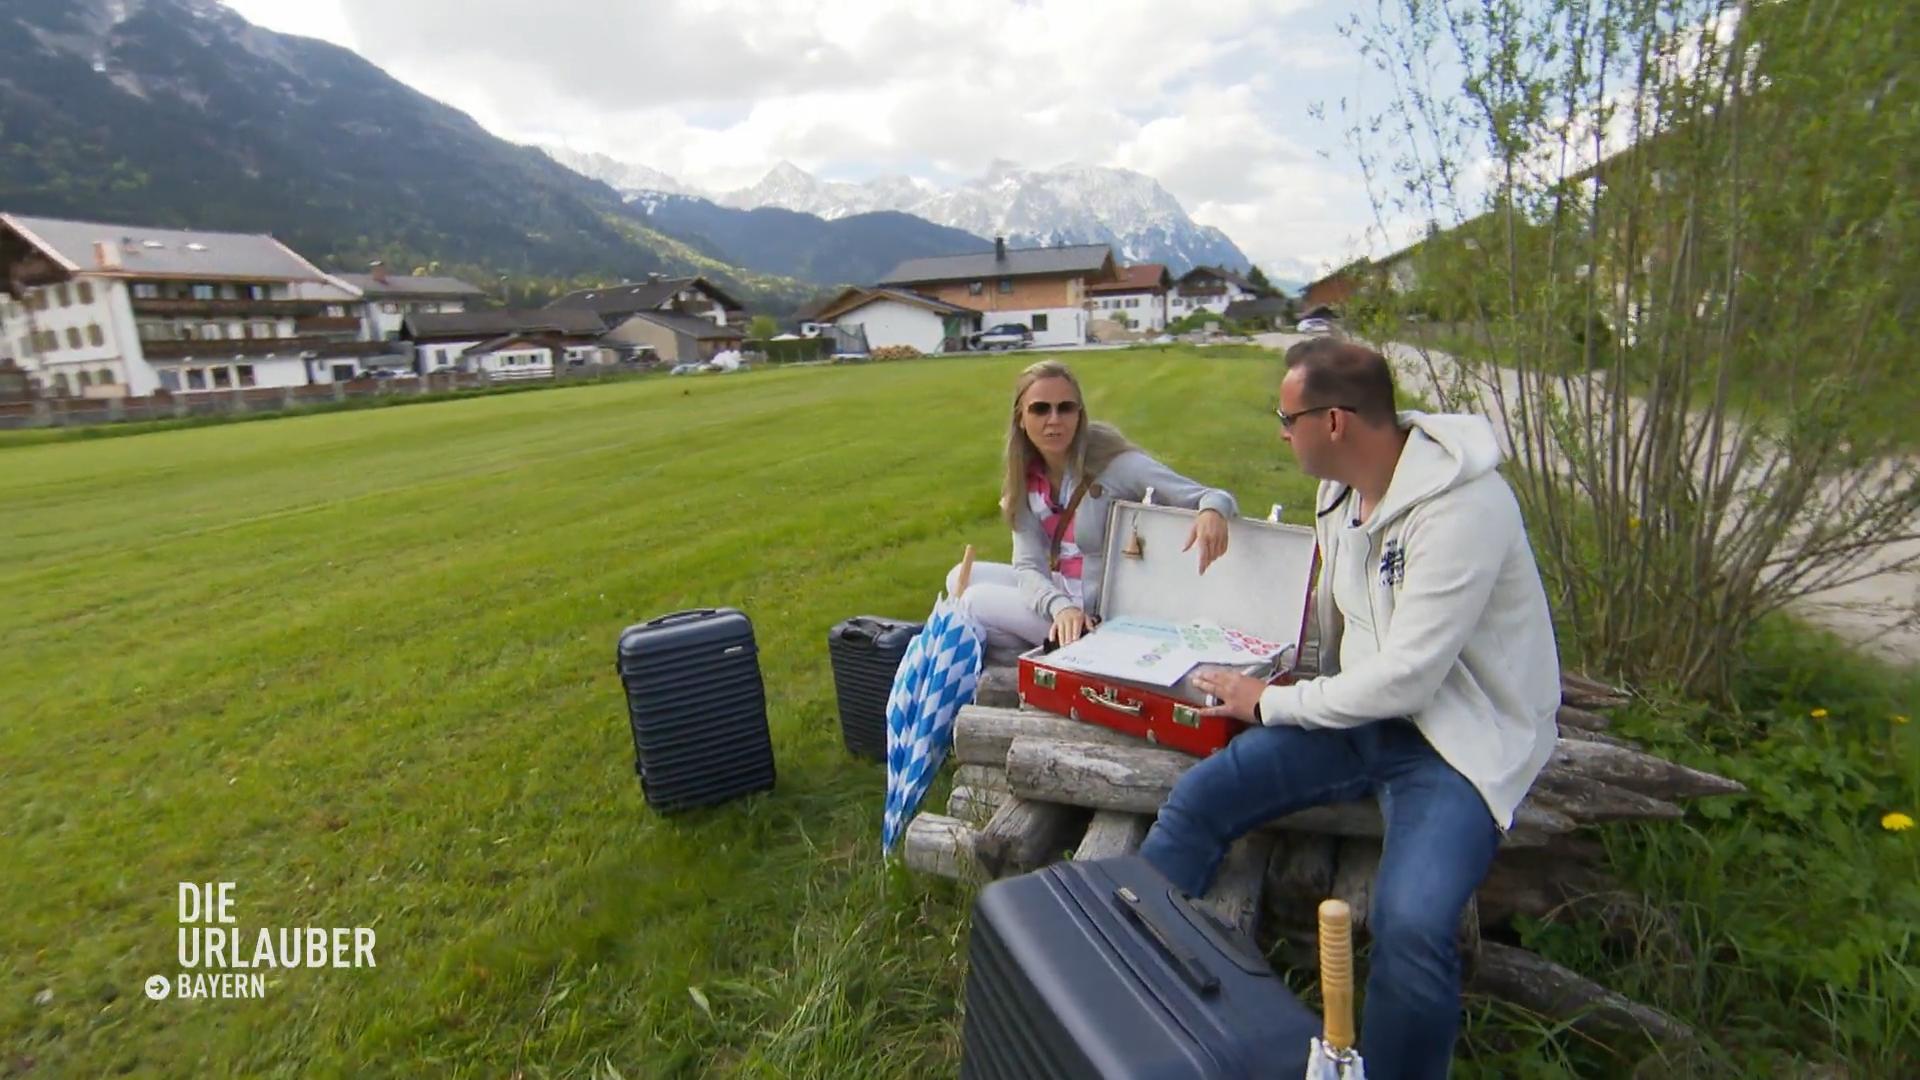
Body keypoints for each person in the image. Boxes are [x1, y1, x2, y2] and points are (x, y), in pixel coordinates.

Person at [1138, 338, 1562, 1080]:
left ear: (1333, 421)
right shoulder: (1339, 493)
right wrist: (1273, 672)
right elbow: (1344, 625)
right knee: (1201, 796)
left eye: (1286, 415)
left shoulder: (1465, 506)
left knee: (1413, 923)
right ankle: (1134, 984)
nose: (1280, 430)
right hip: (1361, 718)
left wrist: (1273, 702)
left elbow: (1410, 679)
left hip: (1459, 743)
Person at [947, 359, 1239, 656]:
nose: (1054, 419)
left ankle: (1062, 651)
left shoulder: (1114, 464)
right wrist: (1059, 607)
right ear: (1021, 417)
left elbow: (1210, 495)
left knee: (973, 602)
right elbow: (1028, 565)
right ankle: (1051, 650)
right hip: (1064, 598)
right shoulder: (1026, 475)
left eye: (1066, 408)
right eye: (1040, 409)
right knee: (960, 576)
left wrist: (1211, 512)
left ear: (1079, 414)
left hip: (1100, 616)